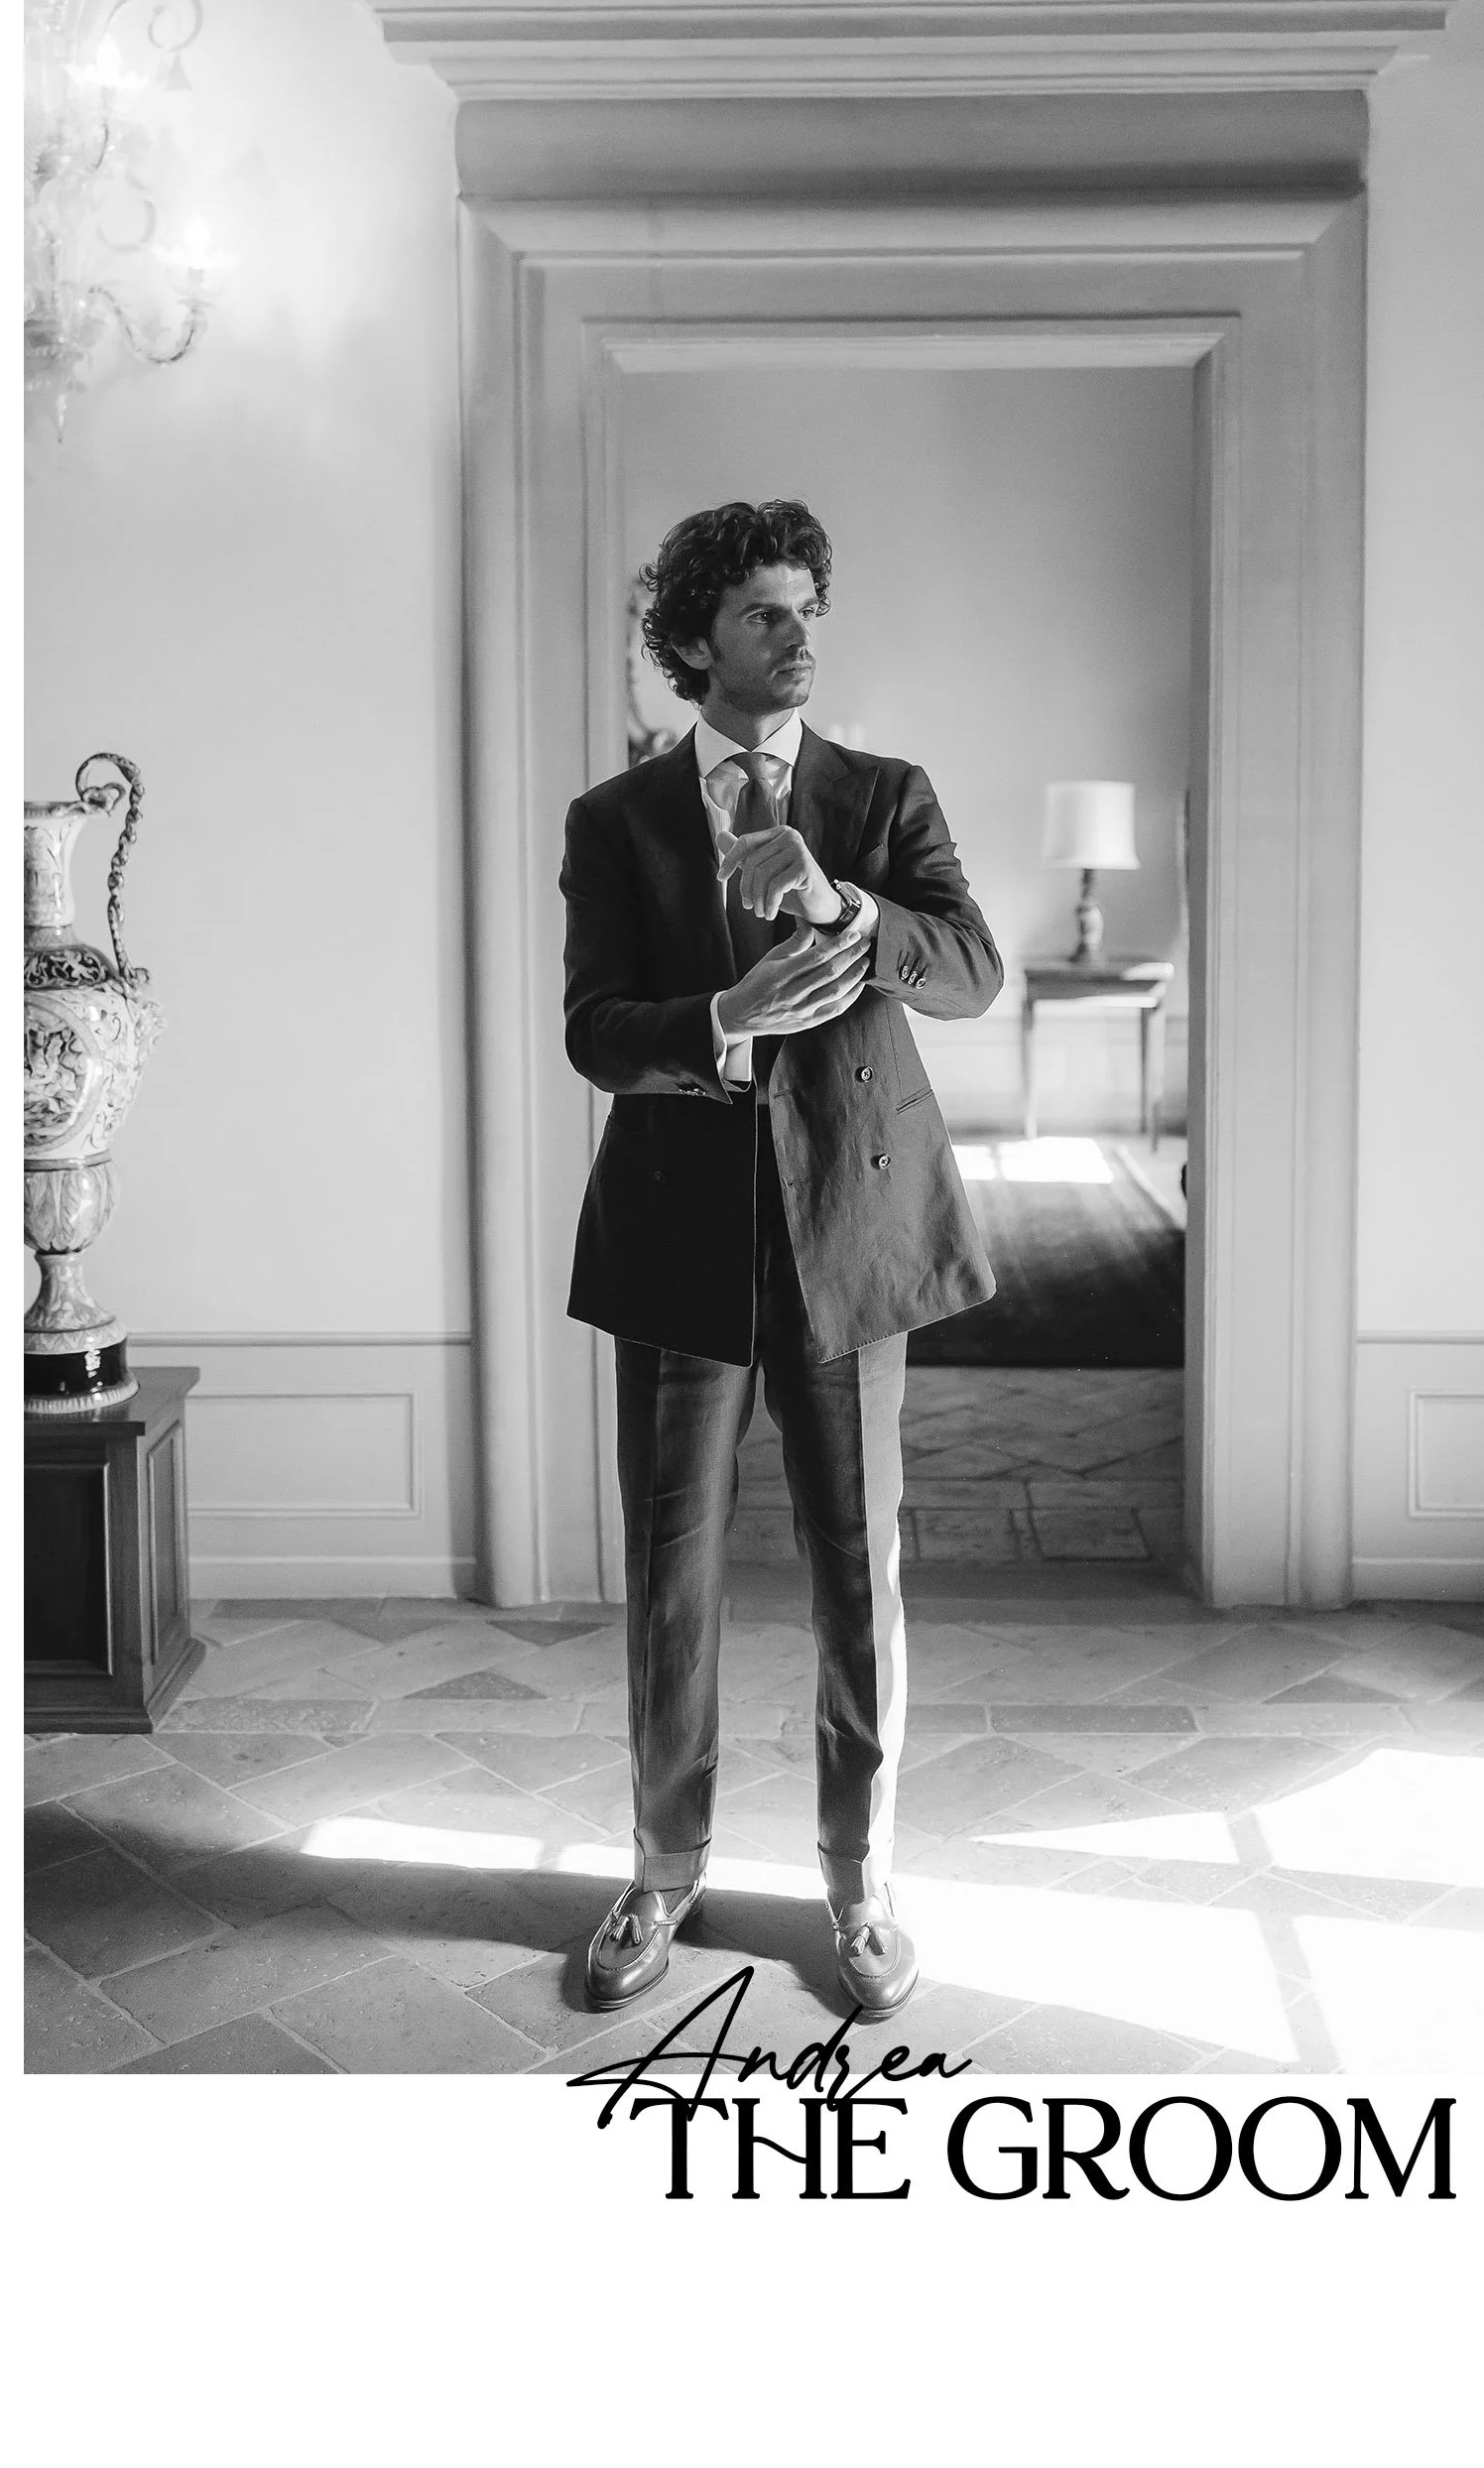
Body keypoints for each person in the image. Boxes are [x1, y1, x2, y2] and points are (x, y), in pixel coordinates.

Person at [559, 497, 1003, 2021]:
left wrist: (849, 906)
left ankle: (859, 1880)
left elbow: (971, 971)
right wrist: (723, 1020)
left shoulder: (885, 796)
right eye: (763, 611)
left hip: (854, 1236)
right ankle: (659, 1873)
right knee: (669, 1575)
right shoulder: (613, 822)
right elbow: (592, 1030)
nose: (800, 634)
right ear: (695, 642)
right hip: (676, 1237)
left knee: (853, 1572)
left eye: (810, 605)